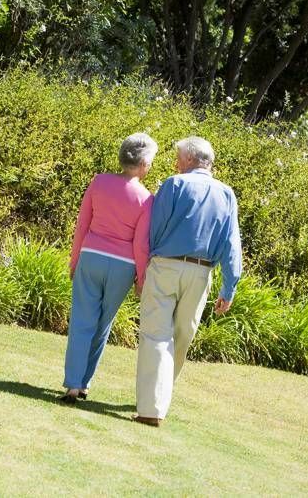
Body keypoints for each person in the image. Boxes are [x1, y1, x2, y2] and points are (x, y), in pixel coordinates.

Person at [134, 136, 242, 427]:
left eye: (179, 157)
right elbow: (232, 245)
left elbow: (154, 228)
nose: (176, 162)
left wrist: (146, 266)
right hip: (200, 272)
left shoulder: (174, 184)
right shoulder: (227, 194)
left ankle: (151, 408)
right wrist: (229, 286)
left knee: (156, 334)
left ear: (191, 160)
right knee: (183, 336)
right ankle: (158, 400)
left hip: (166, 265)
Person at [60, 133, 157, 403]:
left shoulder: (99, 182)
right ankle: (85, 383)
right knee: (103, 325)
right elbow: (141, 245)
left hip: (91, 256)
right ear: (143, 164)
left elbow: (82, 224)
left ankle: (73, 385)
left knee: (82, 321)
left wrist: (74, 260)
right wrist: (141, 278)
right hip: (123, 266)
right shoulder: (147, 199)